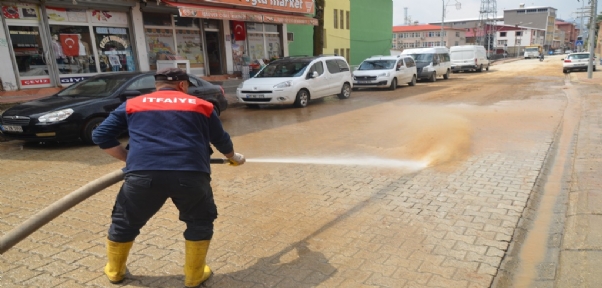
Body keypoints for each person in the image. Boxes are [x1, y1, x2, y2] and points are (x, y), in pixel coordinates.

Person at [92, 68, 245, 287]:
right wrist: (233, 157)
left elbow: (100, 135)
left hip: (142, 177)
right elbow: (220, 140)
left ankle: (115, 272)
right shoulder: (202, 106)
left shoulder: (133, 104)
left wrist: (130, 159)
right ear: (183, 85)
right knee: (199, 221)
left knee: (124, 222)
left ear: (157, 85)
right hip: (191, 175)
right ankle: (193, 276)